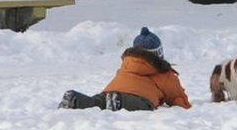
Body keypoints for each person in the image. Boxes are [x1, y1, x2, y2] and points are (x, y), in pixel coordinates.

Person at [59, 27, 192, 111]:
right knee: (132, 104)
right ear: (159, 53)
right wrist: (181, 104)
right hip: (140, 99)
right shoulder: (164, 73)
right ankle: (117, 102)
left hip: (111, 90)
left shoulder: (126, 65)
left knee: (97, 103)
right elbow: (178, 97)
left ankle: (75, 99)